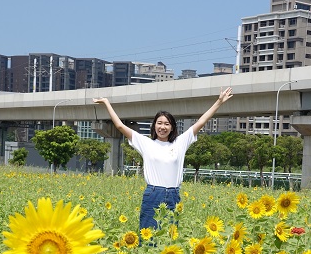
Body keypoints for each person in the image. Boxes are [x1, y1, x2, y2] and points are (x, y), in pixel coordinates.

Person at [93, 87, 233, 230]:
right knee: (148, 237)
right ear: (154, 126)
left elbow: (201, 122)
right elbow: (119, 126)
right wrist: (106, 103)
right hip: (153, 194)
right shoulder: (146, 143)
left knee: (169, 239)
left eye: (167, 124)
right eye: (159, 123)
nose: (162, 127)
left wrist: (219, 102)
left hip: (173, 195)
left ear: (172, 128)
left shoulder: (180, 142)